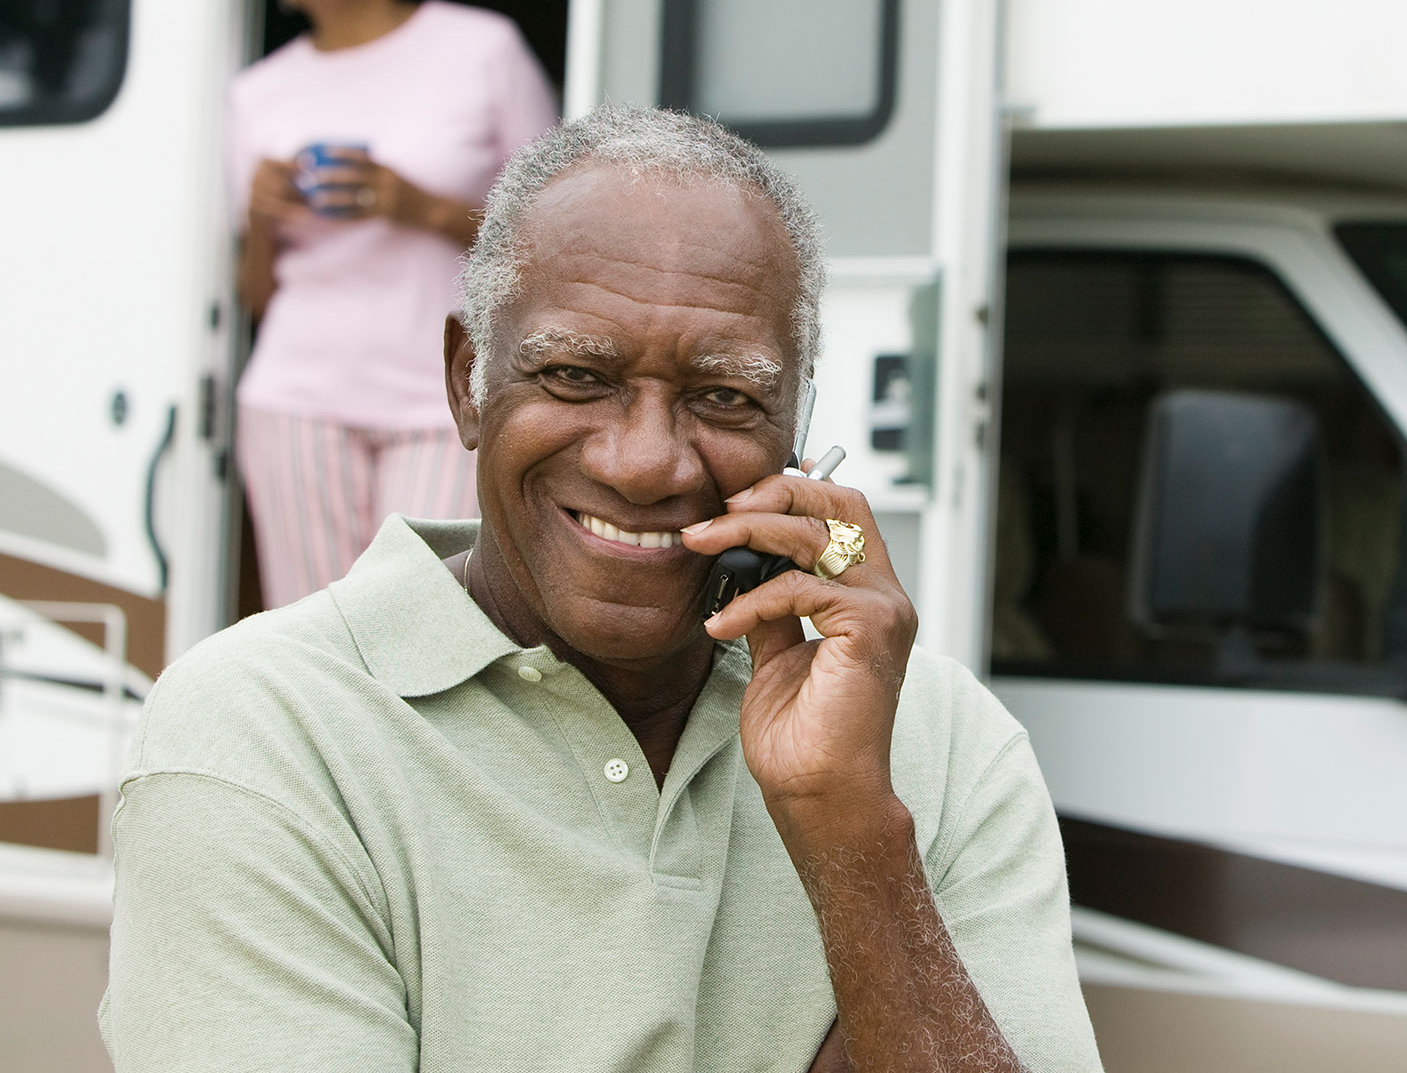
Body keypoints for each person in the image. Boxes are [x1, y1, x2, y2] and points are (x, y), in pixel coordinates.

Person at [99, 105, 1104, 1073]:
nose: (644, 463)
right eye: (577, 375)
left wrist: (856, 842)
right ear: (467, 384)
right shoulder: (264, 730)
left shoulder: (942, 739)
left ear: (796, 425)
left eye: (724, 395)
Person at [229, 0, 559, 607]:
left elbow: (554, 240)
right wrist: (259, 217)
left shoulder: (480, 48)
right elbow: (256, 296)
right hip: (296, 399)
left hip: (448, 394)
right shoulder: (258, 93)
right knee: (313, 633)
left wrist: (418, 207)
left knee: (431, 612)